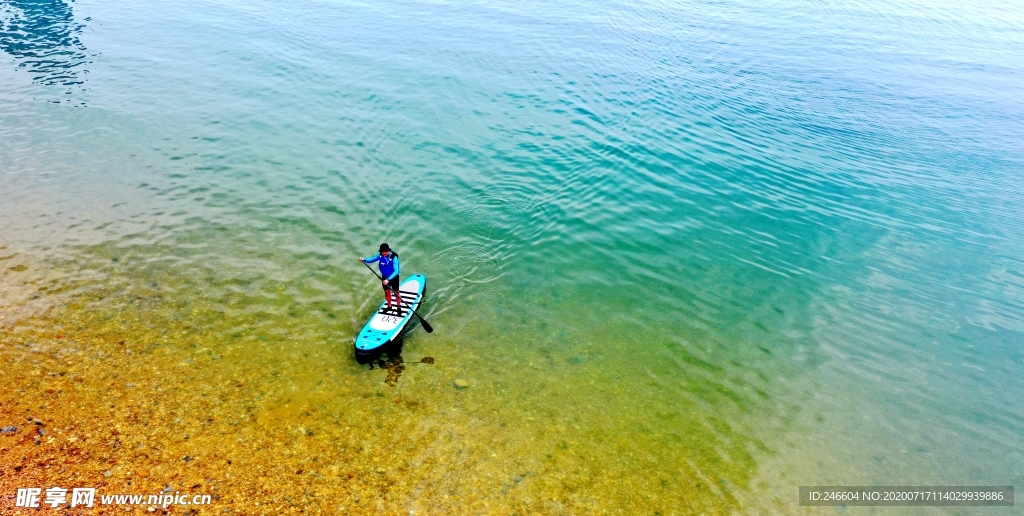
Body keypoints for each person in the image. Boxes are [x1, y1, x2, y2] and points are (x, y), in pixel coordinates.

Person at [359, 243, 401, 309]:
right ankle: (389, 306)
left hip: (393, 277)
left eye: (386, 251)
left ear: (389, 250)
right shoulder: (380, 255)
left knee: (396, 292)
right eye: (383, 252)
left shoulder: (394, 257)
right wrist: (364, 259)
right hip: (384, 277)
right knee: (387, 292)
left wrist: (388, 280)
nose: (384, 253)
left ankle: (399, 307)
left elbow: (396, 271)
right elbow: (372, 259)